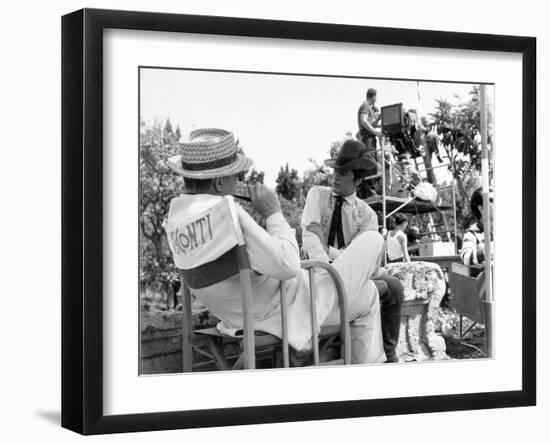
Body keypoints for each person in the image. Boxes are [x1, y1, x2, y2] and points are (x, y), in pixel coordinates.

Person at [166, 128, 386, 364]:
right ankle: (365, 378)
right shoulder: (228, 216)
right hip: (288, 310)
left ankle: (361, 371)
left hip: (235, 316)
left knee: (369, 293)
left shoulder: (176, 220)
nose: (239, 182)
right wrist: (273, 214)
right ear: (220, 182)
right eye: (236, 176)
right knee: (374, 241)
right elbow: (288, 265)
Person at [301, 139, 404, 363]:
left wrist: (329, 250)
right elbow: (309, 236)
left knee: (394, 287)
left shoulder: (367, 214)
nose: (336, 177)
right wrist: (327, 261)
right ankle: (347, 348)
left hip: (352, 273)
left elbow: (363, 259)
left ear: (358, 178)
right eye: (336, 171)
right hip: (317, 271)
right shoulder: (317, 195)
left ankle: (390, 354)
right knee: (375, 288)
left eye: (344, 172)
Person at [357, 88, 382, 195]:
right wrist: (375, 132)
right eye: (376, 97)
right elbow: (363, 121)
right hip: (367, 139)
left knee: (371, 163)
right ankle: (369, 191)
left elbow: (370, 123)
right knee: (370, 163)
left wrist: (380, 121)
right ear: (373, 96)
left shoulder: (369, 108)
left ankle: (366, 190)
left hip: (370, 139)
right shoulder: (365, 106)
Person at [461, 187, 494, 265]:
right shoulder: (471, 234)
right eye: (492, 200)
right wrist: (490, 251)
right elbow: (467, 258)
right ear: (481, 208)